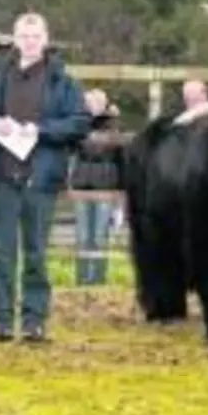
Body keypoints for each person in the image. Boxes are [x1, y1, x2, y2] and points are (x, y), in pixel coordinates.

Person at [0, 12, 92, 343]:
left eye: (35, 36)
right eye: (24, 36)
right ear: (14, 39)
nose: (29, 41)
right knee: (1, 251)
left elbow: (80, 121)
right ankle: (0, 320)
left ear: (45, 39)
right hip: (2, 173)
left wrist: (40, 131)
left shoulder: (63, 81)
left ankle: (34, 321)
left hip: (40, 177)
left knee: (36, 251)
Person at [69, 88, 126, 285]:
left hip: (105, 187)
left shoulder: (113, 127)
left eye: (97, 102)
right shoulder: (78, 125)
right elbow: (72, 149)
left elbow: (120, 158)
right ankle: (82, 278)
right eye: (90, 102)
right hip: (82, 187)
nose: (93, 106)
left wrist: (120, 193)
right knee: (83, 237)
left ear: (104, 104)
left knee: (100, 237)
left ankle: (98, 279)